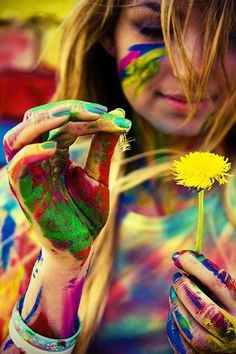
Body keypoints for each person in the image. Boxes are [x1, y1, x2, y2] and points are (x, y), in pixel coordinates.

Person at [1, 0, 236, 353]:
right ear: (108, 33)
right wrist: (60, 266)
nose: (193, 70)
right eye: (157, 29)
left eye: (230, 35)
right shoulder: (38, 193)